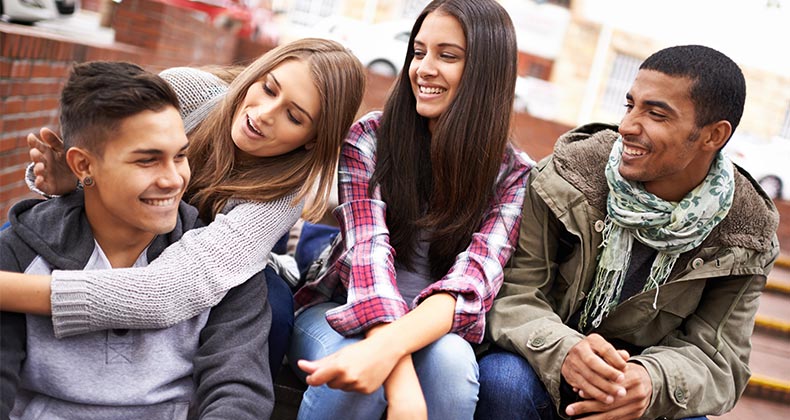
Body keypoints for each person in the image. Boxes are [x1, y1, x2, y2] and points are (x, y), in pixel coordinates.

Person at [0, 39, 365, 376]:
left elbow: (166, 291)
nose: (266, 113)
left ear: (312, 140)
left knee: (272, 308)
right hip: (129, 229)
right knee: (19, 236)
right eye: (269, 87)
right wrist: (71, 183)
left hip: (203, 267)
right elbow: (105, 153)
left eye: (294, 116)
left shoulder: (284, 193)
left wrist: (10, 290)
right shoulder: (187, 91)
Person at [476, 45, 780, 420]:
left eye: (655, 114)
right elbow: (514, 292)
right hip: (543, 366)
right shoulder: (567, 177)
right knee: (503, 379)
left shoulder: (746, 233)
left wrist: (651, 381)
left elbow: (720, 359)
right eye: (629, 105)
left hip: (636, 397)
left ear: (713, 135)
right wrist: (565, 350)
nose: (627, 126)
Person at [287, 1, 531, 419]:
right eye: (419, 52)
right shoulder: (368, 138)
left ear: (487, 73)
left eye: (447, 56)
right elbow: (368, 258)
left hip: (435, 331)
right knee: (359, 379)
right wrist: (401, 385)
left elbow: (470, 285)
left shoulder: (513, 174)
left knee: (452, 365)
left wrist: (390, 349)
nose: (424, 68)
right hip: (340, 310)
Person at [0, 61, 272, 419]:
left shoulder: (221, 266)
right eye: (148, 161)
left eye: (180, 156)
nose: (174, 180)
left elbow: (238, 393)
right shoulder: (19, 254)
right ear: (83, 166)